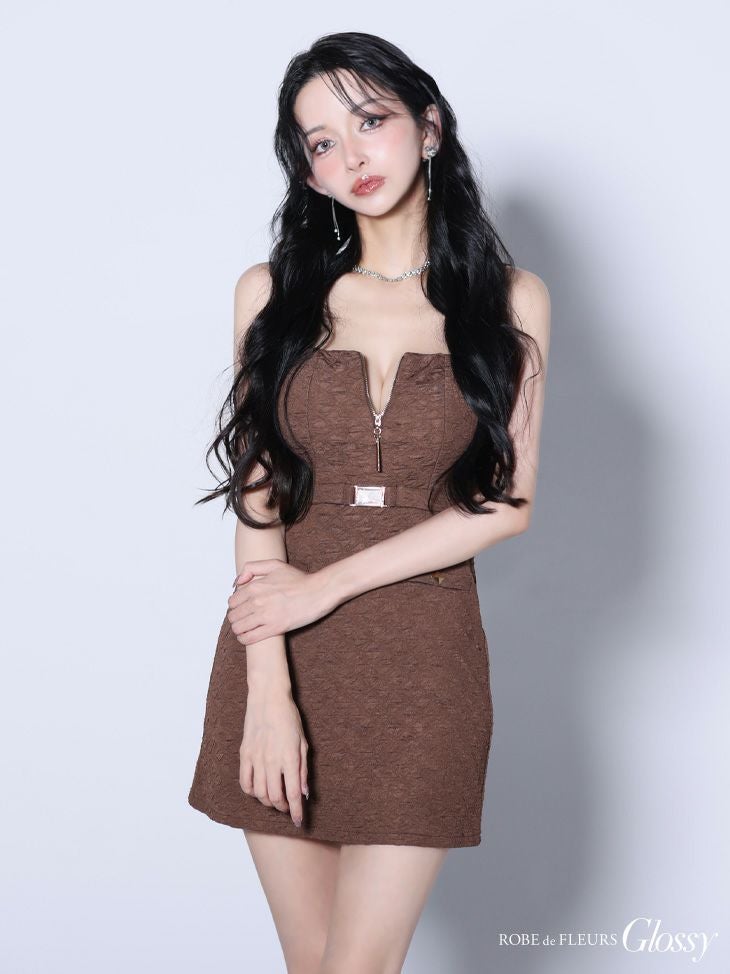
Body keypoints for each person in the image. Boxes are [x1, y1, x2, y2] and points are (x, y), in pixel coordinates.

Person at [188, 30, 550, 974]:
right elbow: (259, 501)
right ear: (306, 171)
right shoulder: (269, 295)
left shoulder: (511, 301)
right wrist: (269, 693)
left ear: (428, 128)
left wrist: (326, 586)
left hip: (424, 670)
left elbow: (505, 504)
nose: (349, 155)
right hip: (277, 661)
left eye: (369, 121)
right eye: (320, 142)